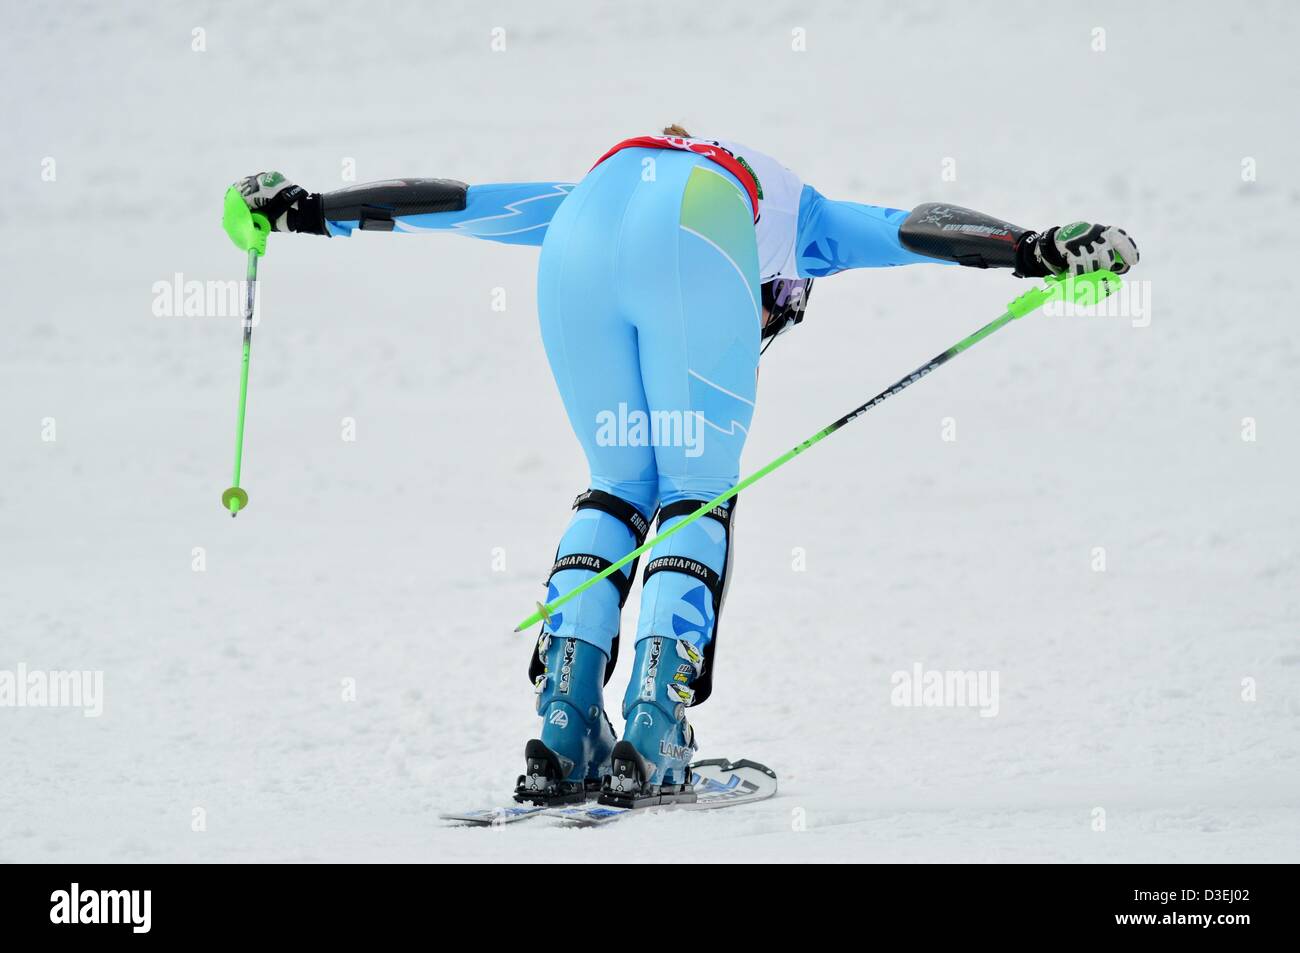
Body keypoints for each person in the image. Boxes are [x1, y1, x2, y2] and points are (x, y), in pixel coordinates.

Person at [226, 126, 1138, 805]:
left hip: (580, 237)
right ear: (784, 293)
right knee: (698, 490)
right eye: (777, 319)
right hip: (697, 233)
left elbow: (458, 201)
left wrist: (310, 210)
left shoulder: (618, 173)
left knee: (619, 483)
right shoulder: (802, 221)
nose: (767, 330)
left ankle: (565, 726)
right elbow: (916, 227)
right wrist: (1036, 248)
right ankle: (654, 731)